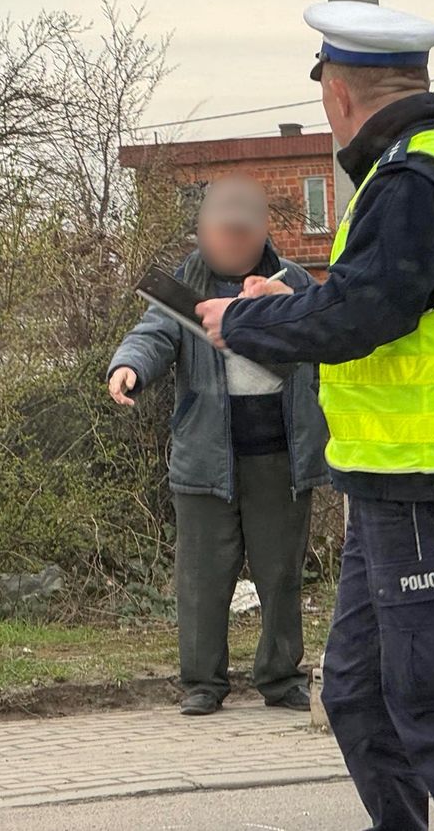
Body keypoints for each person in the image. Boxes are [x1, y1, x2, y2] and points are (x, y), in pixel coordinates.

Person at [195, 0, 434, 831]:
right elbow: (388, 306)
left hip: (425, 480)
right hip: (391, 484)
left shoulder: (415, 181)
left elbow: (364, 319)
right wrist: (302, 297)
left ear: (339, 93)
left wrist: (241, 319)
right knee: (354, 690)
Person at [107, 175, 329, 716]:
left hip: (282, 459)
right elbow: (153, 334)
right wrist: (128, 366)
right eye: (221, 230)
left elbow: (329, 339)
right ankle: (202, 683)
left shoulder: (293, 283)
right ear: (203, 231)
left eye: (241, 231)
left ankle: (280, 677)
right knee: (202, 580)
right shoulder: (183, 286)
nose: (232, 240)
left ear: (262, 232)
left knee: (280, 575)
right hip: (207, 458)